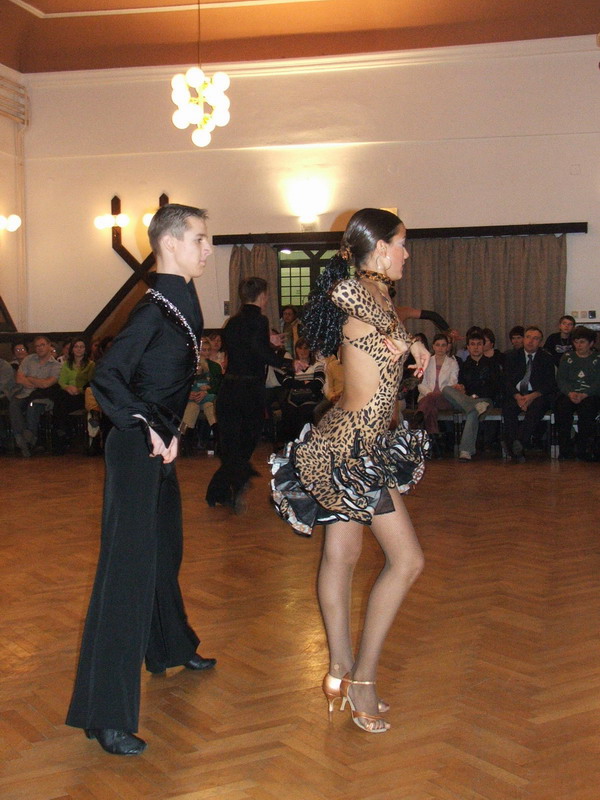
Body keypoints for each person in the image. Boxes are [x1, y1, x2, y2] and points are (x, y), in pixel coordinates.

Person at [271, 208, 429, 734]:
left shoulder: (380, 295)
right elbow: (341, 290)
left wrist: (408, 334)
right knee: (407, 560)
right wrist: (403, 337)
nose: (407, 253)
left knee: (342, 555)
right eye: (402, 243)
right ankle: (361, 678)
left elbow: (375, 314)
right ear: (380, 247)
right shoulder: (358, 290)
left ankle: (340, 668)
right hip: (349, 446)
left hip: (359, 443)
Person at [66, 204, 216, 756]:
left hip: (159, 447)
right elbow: (106, 376)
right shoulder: (153, 310)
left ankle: (170, 645)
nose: (208, 249)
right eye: (199, 239)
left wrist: (166, 429)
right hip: (136, 449)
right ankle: (103, 714)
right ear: (170, 243)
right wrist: (148, 424)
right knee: (125, 575)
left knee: (164, 551)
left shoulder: (180, 301)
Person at [205, 276, 291, 511]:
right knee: (245, 444)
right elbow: (259, 352)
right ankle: (234, 485)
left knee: (232, 446)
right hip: (249, 392)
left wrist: (268, 340)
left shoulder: (232, 323)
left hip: (228, 392)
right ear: (262, 297)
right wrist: (287, 362)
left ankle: (220, 491)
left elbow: (246, 347)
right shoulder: (260, 320)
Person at [442, 330, 503, 461]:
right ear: (468, 347)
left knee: (473, 412)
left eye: (479, 344)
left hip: (486, 401)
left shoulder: (492, 364)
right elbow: (462, 385)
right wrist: (461, 388)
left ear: (483, 346)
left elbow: (495, 387)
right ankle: (474, 406)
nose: (476, 347)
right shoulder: (463, 366)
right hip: (467, 400)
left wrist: (476, 396)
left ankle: (465, 451)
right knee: (446, 389)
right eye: (472, 344)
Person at [503, 325, 557, 462]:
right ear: (524, 339)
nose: (530, 341)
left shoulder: (546, 358)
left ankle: (518, 442)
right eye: (528, 337)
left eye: (535, 338)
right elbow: (506, 381)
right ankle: (516, 448)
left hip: (536, 395)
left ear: (540, 342)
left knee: (537, 408)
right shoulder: (511, 356)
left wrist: (532, 396)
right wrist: (517, 396)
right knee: (508, 409)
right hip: (516, 394)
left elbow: (550, 384)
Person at [9, 335, 62, 456]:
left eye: (42, 345)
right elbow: (19, 378)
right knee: (14, 404)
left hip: (42, 397)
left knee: (33, 406)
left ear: (49, 346)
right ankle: (21, 437)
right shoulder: (29, 359)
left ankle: (29, 440)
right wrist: (37, 382)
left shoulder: (56, 365)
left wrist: (30, 378)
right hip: (24, 393)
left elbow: (46, 384)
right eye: (37, 346)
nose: (39, 348)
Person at [554, 326, 600, 460]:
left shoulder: (597, 359)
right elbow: (561, 379)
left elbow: (598, 382)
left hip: (590, 395)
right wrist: (569, 392)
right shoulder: (567, 357)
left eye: (582, 342)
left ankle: (583, 449)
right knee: (562, 409)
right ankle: (565, 450)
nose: (578, 345)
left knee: (587, 411)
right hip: (570, 394)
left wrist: (585, 394)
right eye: (576, 342)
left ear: (591, 343)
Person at [277, 337, 325, 443]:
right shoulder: (292, 366)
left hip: (311, 398)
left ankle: (305, 444)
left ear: (310, 350)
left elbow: (318, 383)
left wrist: (296, 383)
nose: (303, 351)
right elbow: (286, 382)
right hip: (293, 398)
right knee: (288, 414)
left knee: (304, 414)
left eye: (306, 348)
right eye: (300, 348)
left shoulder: (317, 365)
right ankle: (290, 445)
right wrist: (305, 383)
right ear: (296, 349)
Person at [52, 337, 95, 454]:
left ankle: (63, 432)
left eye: (82, 347)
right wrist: (67, 388)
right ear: (72, 349)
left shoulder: (91, 365)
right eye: (76, 346)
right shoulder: (67, 364)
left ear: (85, 349)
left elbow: (90, 383)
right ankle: (62, 432)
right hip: (68, 393)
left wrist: (78, 390)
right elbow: (62, 381)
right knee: (60, 398)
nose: (79, 349)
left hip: (83, 394)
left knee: (62, 404)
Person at [417, 332, 458, 435]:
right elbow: (421, 384)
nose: (440, 348)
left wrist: (437, 394)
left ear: (447, 347)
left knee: (429, 403)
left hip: (445, 398)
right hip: (427, 396)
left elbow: (452, 384)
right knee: (431, 408)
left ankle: (418, 419)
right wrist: (429, 393)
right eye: (438, 345)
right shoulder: (426, 361)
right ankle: (433, 434)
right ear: (433, 346)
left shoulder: (452, 363)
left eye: (443, 345)